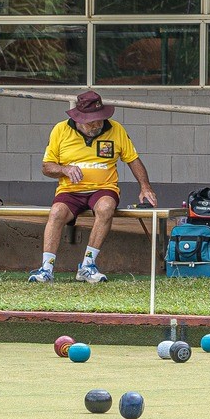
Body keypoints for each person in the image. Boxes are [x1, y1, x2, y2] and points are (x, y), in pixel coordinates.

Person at [29, 90, 158, 284]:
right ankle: (46, 269)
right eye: (91, 121)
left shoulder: (116, 129)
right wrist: (65, 169)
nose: (97, 125)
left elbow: (133, 160)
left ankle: (88, 266)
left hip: (103, 188)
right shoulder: (60, 130)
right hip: (70, 191)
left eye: (100, 119)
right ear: (79, 118)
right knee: (56, 212)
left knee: (106, 207)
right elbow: (46, 167)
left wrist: (145, 187)